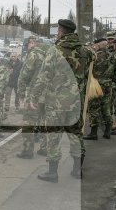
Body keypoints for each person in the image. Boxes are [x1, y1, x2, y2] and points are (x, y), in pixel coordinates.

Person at [29, 19, 86, 182]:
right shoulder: (84, 51)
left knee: (53, 136)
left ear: (61, 31)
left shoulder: (55, 51)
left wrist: (34, 96)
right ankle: (77, 170)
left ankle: (53, 172)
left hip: (56, 103)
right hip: (76, 101)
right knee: (75, 135)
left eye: (58, 31)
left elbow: (44, 76)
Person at [16, 37, 49, 158]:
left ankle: (28, 150)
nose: (26, 48)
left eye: (26, 46)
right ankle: (45, 148)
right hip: (50, 94)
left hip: (35, 94)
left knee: (28, 121)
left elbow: (24, 75)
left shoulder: (34, 54)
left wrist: (21, 93)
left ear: (32, 43)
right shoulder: (51, 53)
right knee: (46, 122)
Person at [85, 38, 115, 140]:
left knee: (94, 108)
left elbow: (87, 70)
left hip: (95, 85)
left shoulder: (94, 56)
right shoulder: (112, 56)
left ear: (98, 45)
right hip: (107, 85)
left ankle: (93, 133)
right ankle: (107, 131)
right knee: (106, 108)